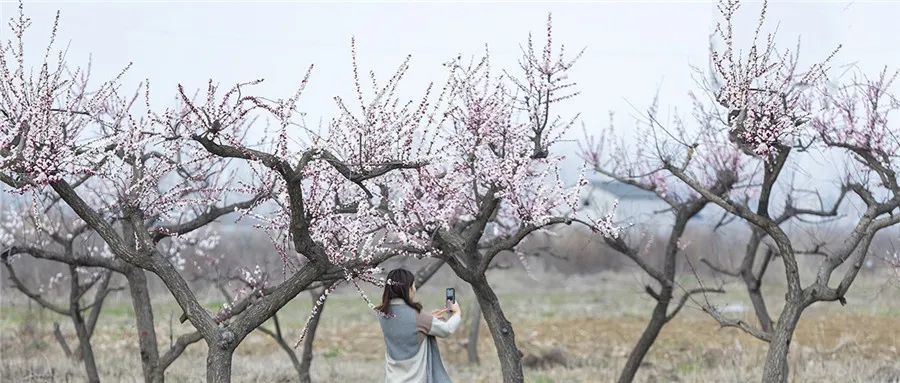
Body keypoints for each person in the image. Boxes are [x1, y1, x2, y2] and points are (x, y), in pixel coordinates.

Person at [376, 268, 461, 383]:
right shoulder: (418, 317)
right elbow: (446, 330)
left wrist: (429, 318)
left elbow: (406, 326)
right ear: (407, 289)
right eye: (413, 286)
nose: (414, 290)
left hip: (392, 378)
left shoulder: (383, 314)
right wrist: (457, 313)